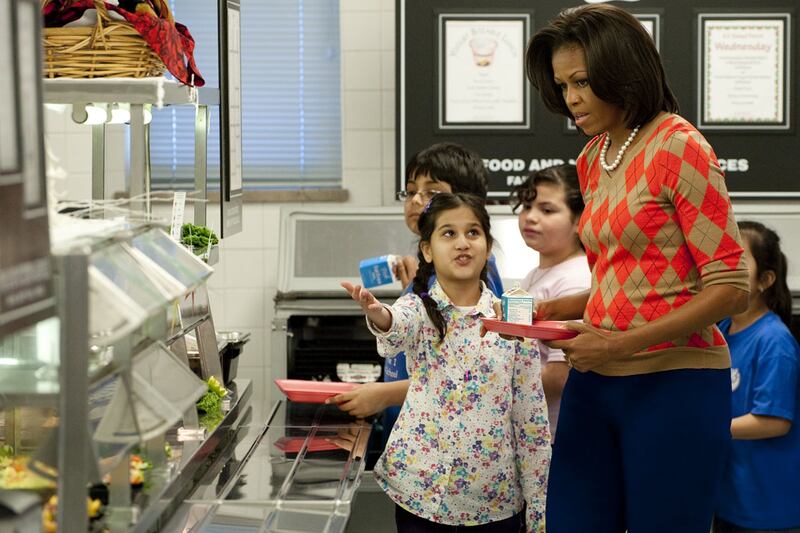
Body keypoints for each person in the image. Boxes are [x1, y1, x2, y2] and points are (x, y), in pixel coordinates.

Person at [525, 4, 750, 532]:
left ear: (622, 72)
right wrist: (556, 310)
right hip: (595, 379)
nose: (570, 98)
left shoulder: (679, 145)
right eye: (562, 85)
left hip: (675, 383)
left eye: (582, 81)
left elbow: (731, 286)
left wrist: (618, 345)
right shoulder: (592, 158)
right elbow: (622, 277)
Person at [341, 192, 549, 533]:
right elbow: (396, 325)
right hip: (420, 495)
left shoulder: (511, 323)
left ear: (487, 246)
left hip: (494, 502)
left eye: (473, 232)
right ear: (427, 250)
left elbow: (531, 422)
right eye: (448, 233)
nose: (462, 243)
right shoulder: (418, 309)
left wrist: (537, 508)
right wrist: (379, 314)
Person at [328, 143, 504, 431]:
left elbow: (470, 371)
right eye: (410, 192)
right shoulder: (431, 269)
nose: (415, 200)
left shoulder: (470, 272)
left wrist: (383, 395)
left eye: (431, 192)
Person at [714, 221, 800, 533]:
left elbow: (774, 422)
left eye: (737, 260)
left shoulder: (774, 341)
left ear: (765, 280)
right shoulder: (721, 329)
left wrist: (708, 428)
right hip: (730, 500)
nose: (725, 269)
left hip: (768, 510)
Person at [511, 164, 590, 438]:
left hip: (554, 434)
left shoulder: (577, 278)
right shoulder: (535, 275)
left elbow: (560, 376)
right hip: (530, 430)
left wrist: (493, 392)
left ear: (579, 221)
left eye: (547, 210)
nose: (531, 217)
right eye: (526, 206)